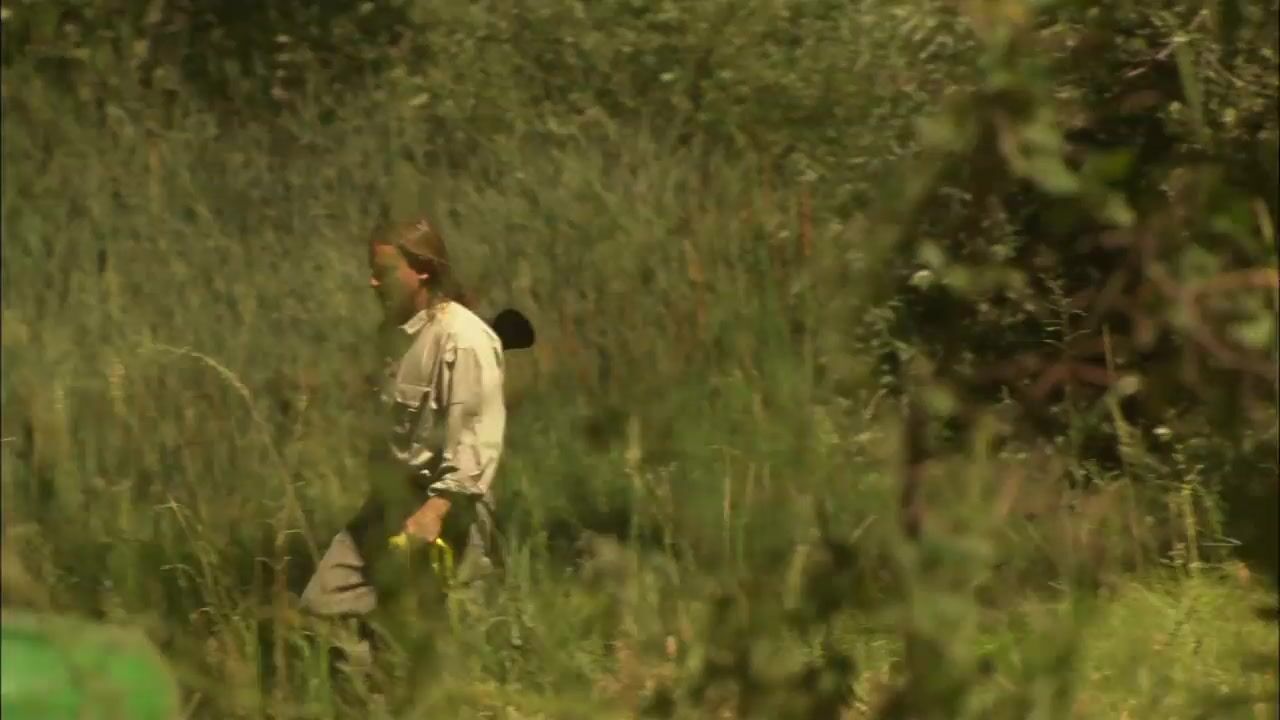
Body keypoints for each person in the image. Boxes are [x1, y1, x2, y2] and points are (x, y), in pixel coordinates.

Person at [299, 215, 507, 674]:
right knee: (323, 606)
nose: (373, 282)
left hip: (451, 508)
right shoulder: (393, 334)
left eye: (385, 272)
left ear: (422, 272)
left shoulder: (463, 340)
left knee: (449, 642)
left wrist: (435, 511)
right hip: (392, 503)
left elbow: (476, 440)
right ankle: (373, 692)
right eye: (371, 271)